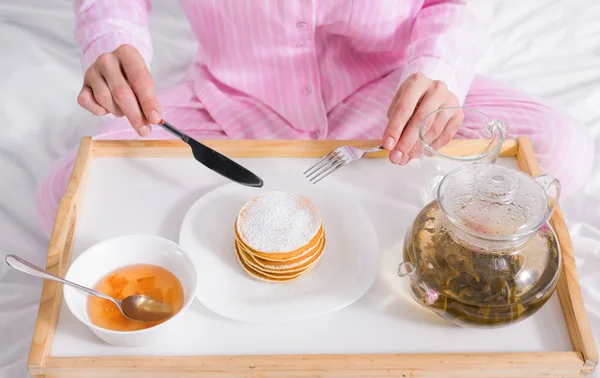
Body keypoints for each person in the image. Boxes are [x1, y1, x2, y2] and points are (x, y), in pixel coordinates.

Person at [36, 0, 594, 234]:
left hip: (391, 94)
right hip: (233, 101)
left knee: (558, 147)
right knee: (69, 198)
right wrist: (111, 38)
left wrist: (442, 67)